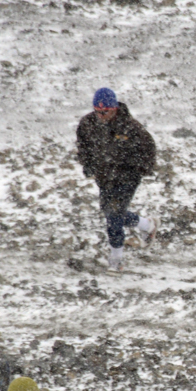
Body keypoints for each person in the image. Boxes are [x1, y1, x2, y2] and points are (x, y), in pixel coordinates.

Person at [75, 86, 158, 271]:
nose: (101, 115)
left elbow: (149, 148)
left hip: (127, 178)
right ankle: (147, 225)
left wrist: (141, 168)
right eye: (98, 111)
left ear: (114, 109)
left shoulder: (130, 127)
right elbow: (83, 147)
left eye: (105, 112)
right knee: (113, 214)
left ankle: (116, 260)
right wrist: (87, 165)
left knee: (114, 216)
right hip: (104, 178)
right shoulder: (87, 124)